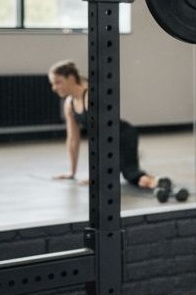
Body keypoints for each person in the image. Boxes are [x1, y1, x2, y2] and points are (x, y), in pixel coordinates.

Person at [47, 60, 177, 198]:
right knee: (130, 172)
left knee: (130, 174)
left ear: (71, 78)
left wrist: (98, 175)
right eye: (53, 83)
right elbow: (73, 139)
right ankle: (159, 182)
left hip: (123, 135)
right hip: (108, 138)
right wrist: (72, 172)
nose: (54, 88)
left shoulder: (91, 95)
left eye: (58, 82)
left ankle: (158, 183)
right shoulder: (69, 104)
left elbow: (104, 134)